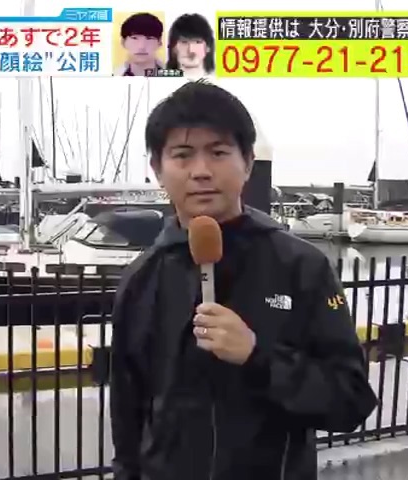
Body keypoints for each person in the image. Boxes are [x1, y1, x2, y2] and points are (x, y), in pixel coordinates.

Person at [109, 81, 378, 480]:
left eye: (218, 152)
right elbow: (126, 419)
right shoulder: (141, 279)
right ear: (157, 170)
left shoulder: (301, 266)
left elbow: (351, 401)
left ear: (248, 163)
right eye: (182, 155)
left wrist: (258, 356)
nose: (201, 171)